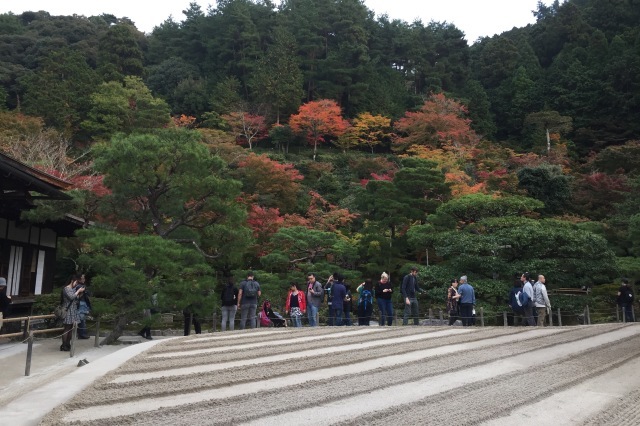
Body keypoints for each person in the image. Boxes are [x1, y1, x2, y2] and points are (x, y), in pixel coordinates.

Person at [60, 275, 85, 351]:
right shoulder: (66, 289)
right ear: (72, 281)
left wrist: (80, 293)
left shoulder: (73, 289)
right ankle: (64, 345)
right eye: (76, 282)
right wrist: (78, 291)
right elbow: (71, 297)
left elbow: (76, 298)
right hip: (68, 310)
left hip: (73, 310)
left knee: (71, 328)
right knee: (67, 328)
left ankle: (68, 343)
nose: (77, 284)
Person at [76, 274, 91, 339]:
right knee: (82, 319)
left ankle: (81, 333)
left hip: (82, 303)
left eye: (84, 278)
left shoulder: (80, 286)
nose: (83, 279)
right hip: (81, 303)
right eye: (82, 278)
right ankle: (82, 334)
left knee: (82, 319)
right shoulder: (79, 286)